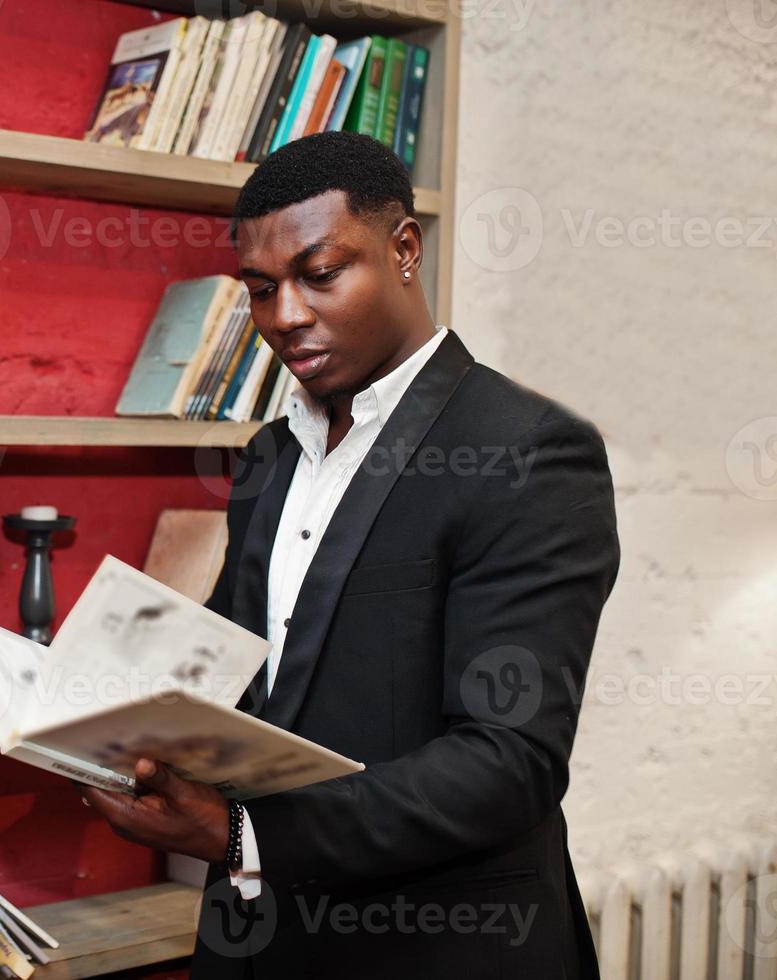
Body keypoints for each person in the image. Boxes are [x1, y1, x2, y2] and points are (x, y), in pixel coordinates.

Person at [78, 131, 620, 978]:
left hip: (438, 946)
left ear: (403, 250)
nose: (284, 315)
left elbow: (507, 760)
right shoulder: (268, 456)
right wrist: (92, 708)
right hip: (259, 937)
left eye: (320, 274)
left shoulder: (527, 452)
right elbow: (240, 675)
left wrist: (243, 833)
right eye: (260, 289)